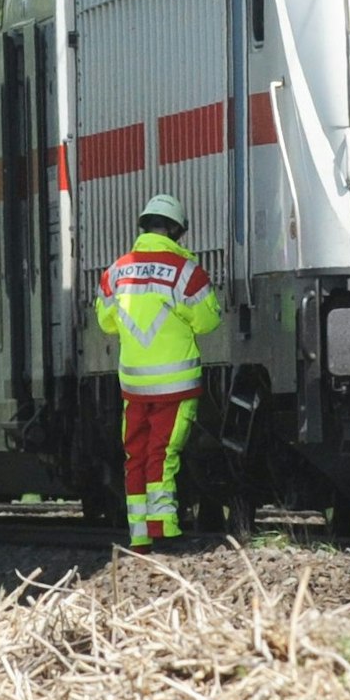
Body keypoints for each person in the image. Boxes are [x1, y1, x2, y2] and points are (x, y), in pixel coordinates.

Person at [96, 194, 222, 552]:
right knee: (162, 455)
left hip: (133, 385)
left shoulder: (116, 271)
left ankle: (139, 535)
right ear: (176, 231)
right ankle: (165, 530)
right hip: (175, 385)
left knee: (135, 455)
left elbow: (105, 322)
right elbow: (209, 320)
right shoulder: (186, 272)